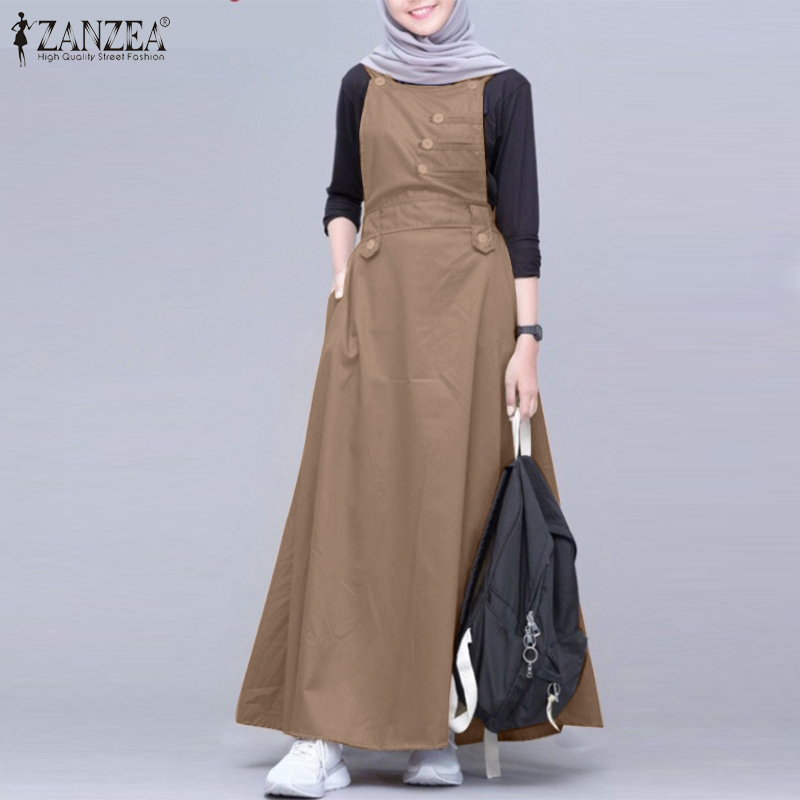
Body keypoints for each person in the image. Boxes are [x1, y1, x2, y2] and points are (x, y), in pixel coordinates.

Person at [236, 0, 603, 795]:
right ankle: (322, 736)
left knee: (454, 514)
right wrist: (344, 277)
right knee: (351, 508)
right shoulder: (360, 84)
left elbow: (523, 227)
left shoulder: (505, 89)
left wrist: (528, 340)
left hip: (472, 321)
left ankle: (435, 729)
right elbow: (342, 197)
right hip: (375, 317)